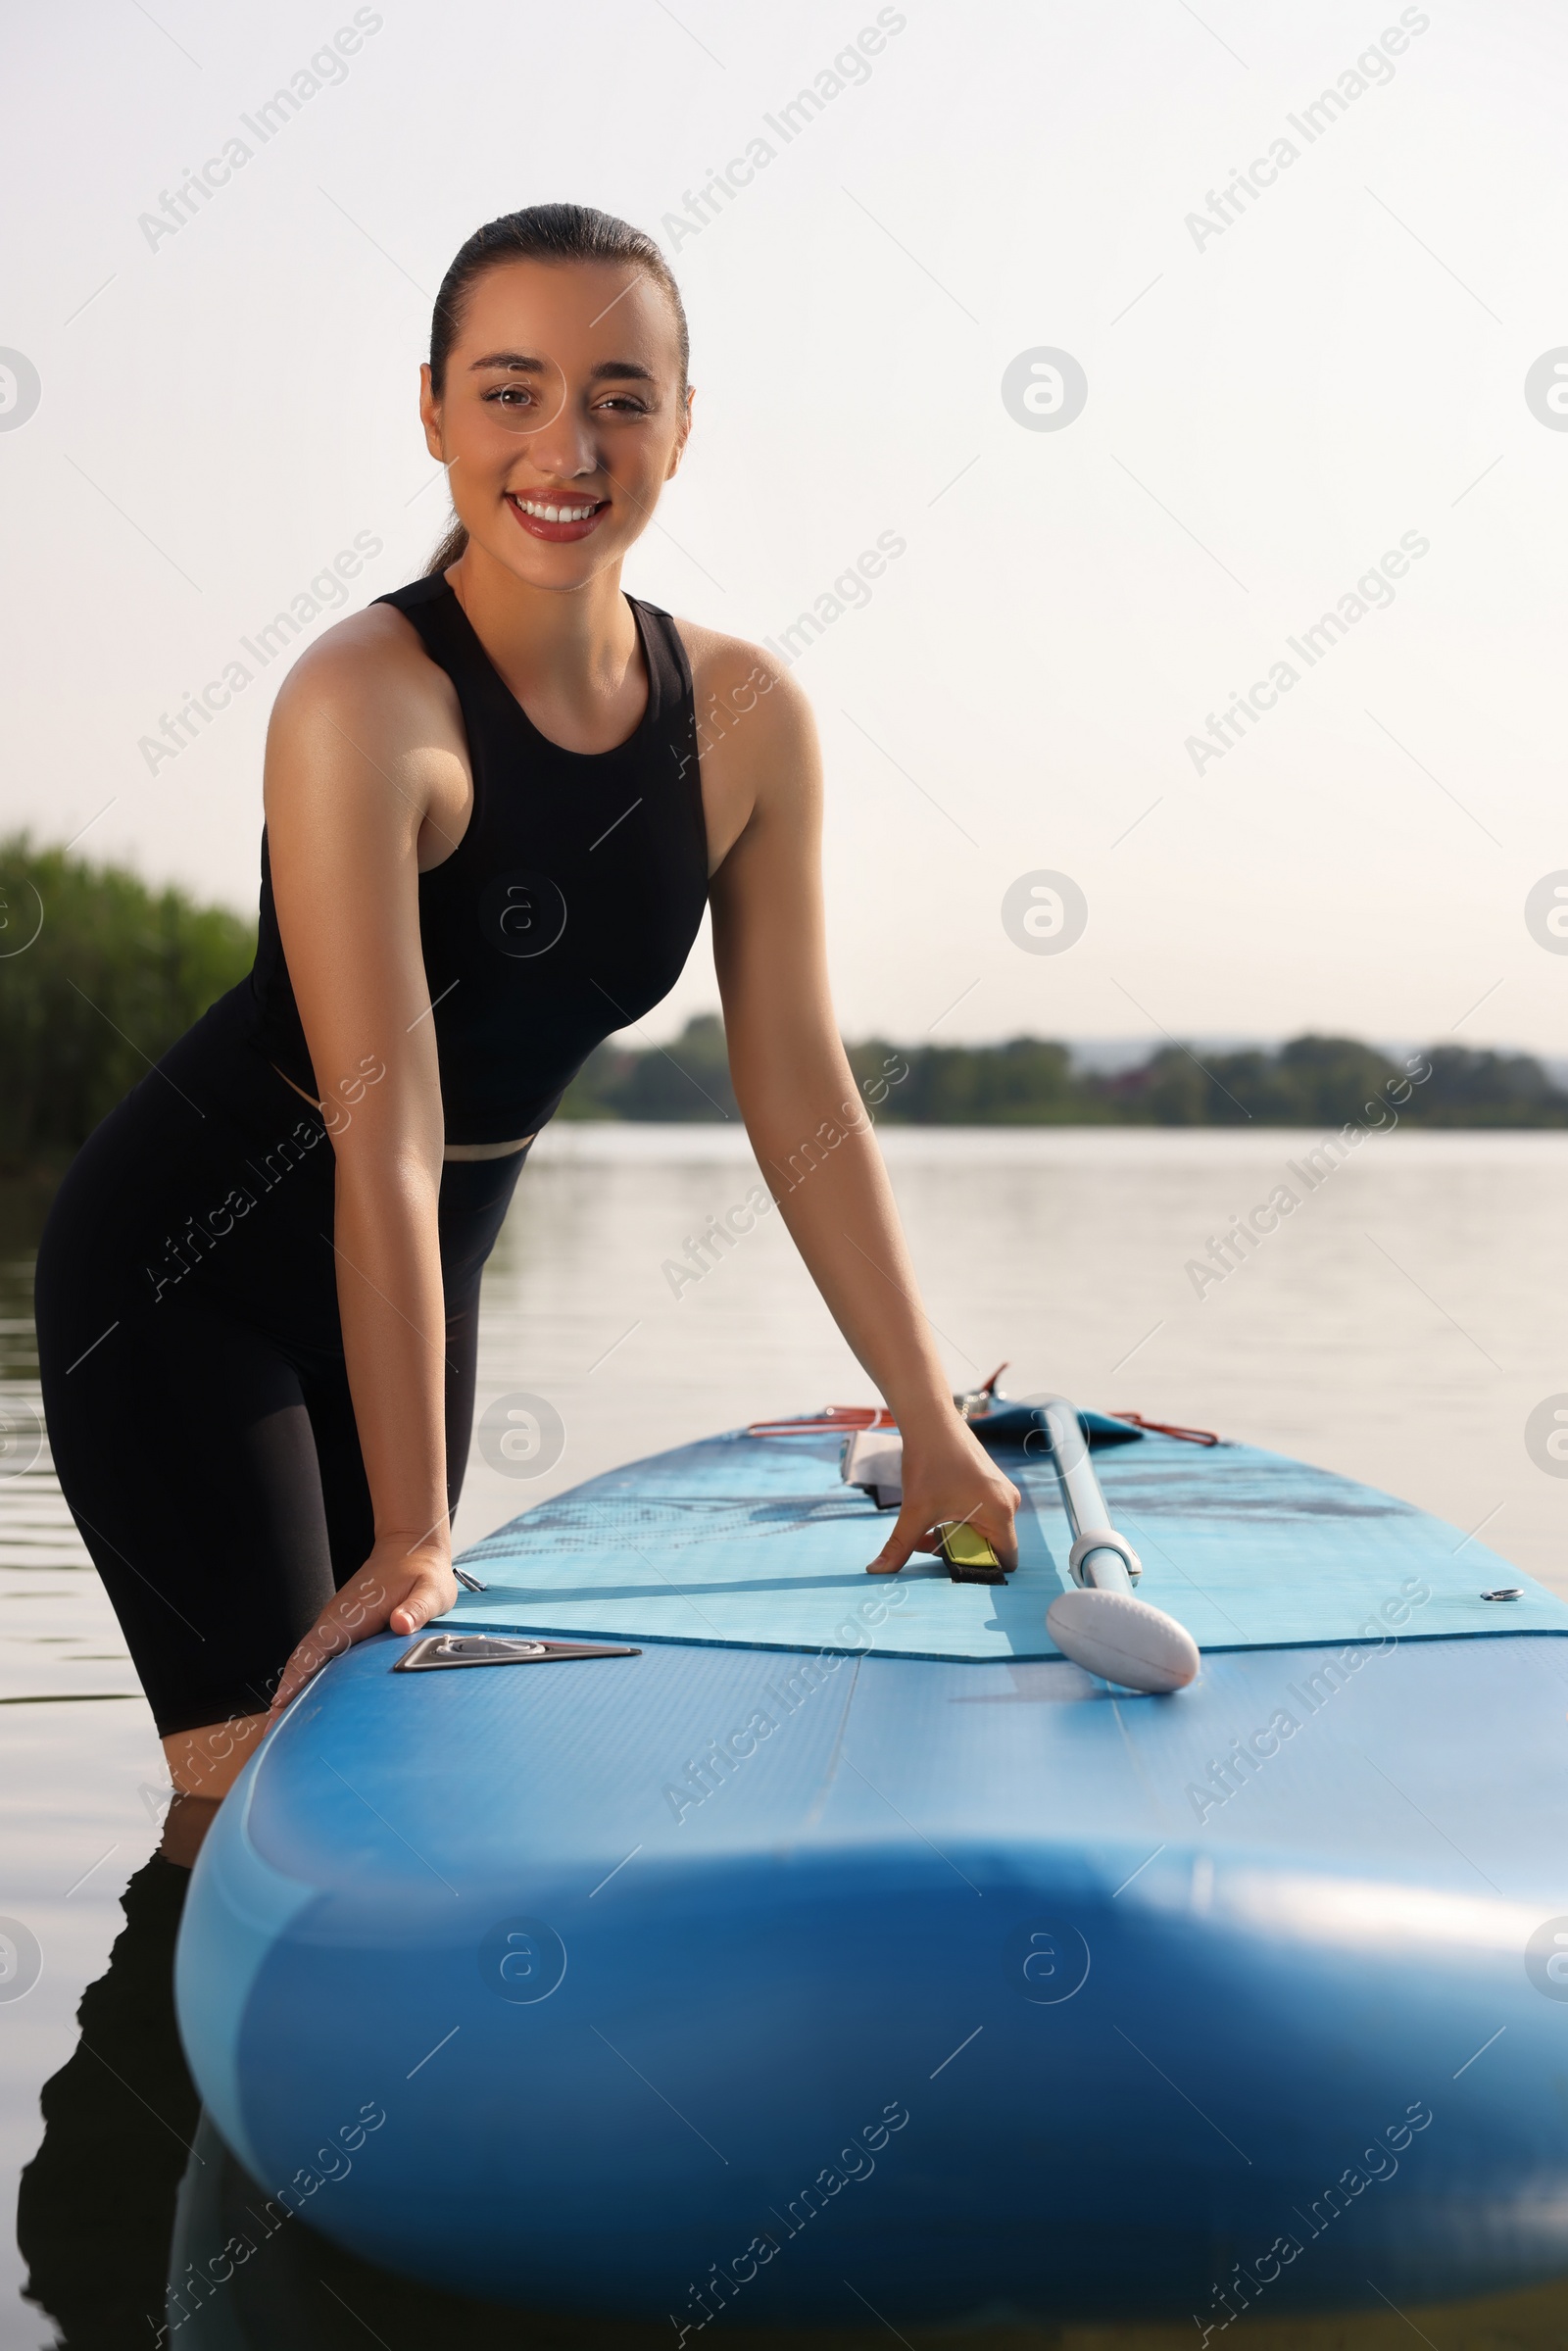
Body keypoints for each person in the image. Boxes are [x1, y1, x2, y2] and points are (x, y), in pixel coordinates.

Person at [34, 202, 1018, 1806]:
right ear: (431, 409)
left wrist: (932, 1417)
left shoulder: (746, 716)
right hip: (186, 1281)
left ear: (684, 428)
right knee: (254, 1791)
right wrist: (418, 1524)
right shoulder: (368, 703)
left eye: (620, 394)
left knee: (386, 1756)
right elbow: (387, 1137)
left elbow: (798, 1091)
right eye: (510, 390)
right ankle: (168, 2034)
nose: (567, 444)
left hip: (433, 1268)